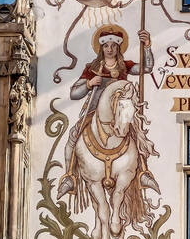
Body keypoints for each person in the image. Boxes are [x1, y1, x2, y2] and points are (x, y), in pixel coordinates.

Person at [57, 24, 156, 198]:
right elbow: (74, 94)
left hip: (121, 111)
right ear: (101, 48)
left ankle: (143, 173)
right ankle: (69, 176)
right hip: (95, 110)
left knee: (137, 136)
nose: (109, 49)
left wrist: (147, 45)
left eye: (113, 45)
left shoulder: (125, 66)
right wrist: (89, 83)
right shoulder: (92, 68)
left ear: (118, 48)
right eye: (106, 46)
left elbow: (146, 68)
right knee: (74, 136)